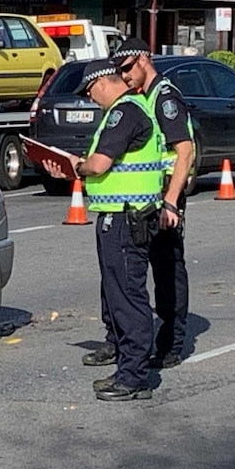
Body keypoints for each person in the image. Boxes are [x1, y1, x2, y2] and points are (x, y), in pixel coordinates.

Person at [42, 59, 165, 401]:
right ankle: (129, 370)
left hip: (127, 218)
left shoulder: (124, 112)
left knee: (128, 298)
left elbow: (98, 164)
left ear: (103, 83)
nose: (90, 99)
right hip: (123, 216)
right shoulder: (129, 111)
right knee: (120, 295)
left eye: (90, 92)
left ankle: (134, 377)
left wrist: (76, 168)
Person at [83, 38, 194, 370]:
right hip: (138, 199)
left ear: (144, 59)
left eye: (128, 67)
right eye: (119, 70)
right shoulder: (136, 101)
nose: (125, 75)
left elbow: (184, 151)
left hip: (163, 196)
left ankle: (170, 343)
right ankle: (117, 339)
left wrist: (171, 202)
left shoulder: (165, 98)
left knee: (166, 269)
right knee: (122, 274)